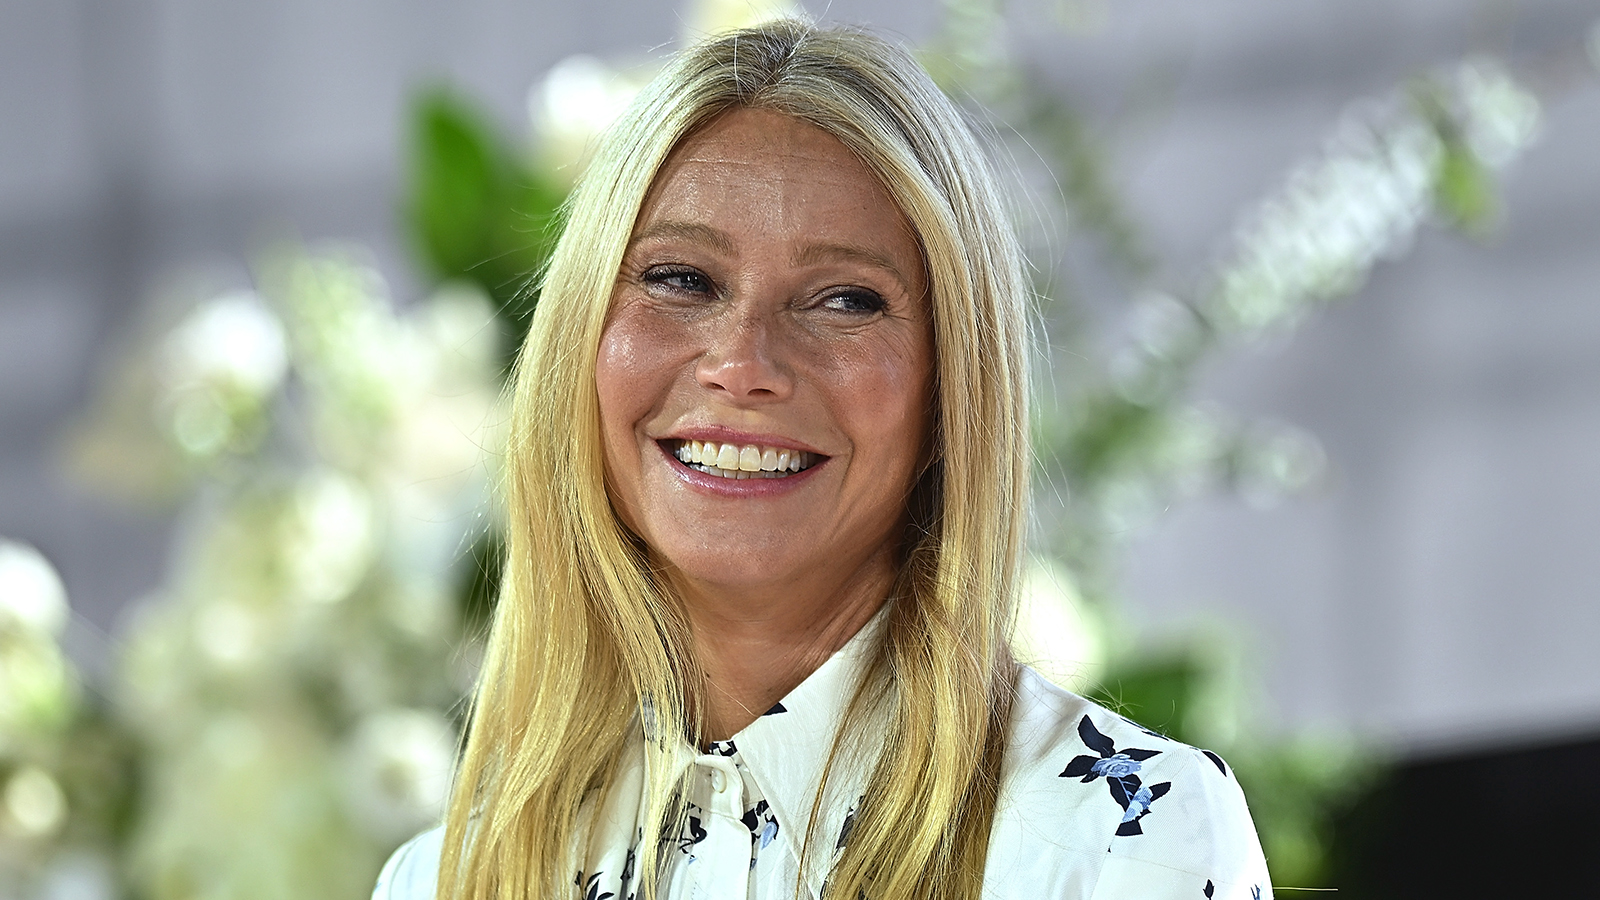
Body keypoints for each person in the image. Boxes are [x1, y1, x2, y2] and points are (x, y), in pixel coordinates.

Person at [373, 19, 1271, 900]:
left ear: (953, 380)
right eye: (680, 279)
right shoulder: (445, 878)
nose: (742, 364)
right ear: (577, 341)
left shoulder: (1131, 843)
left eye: (845, 299)